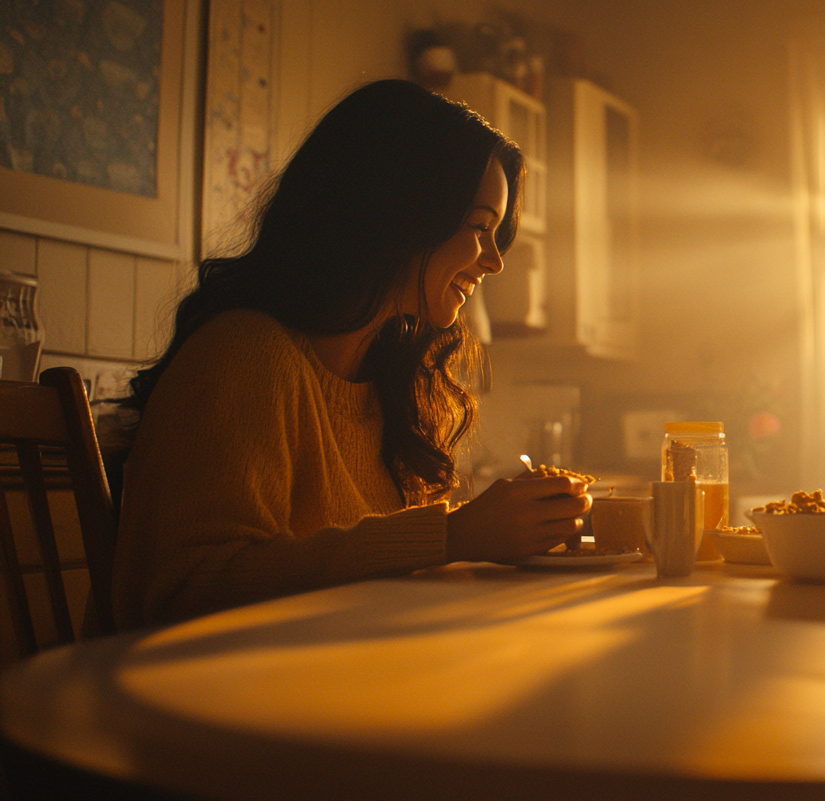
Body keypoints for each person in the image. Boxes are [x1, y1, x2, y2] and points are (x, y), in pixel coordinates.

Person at [111, 80, 591, 629]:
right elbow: (190, 589)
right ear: (400, 212)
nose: (493, 262)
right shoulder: (245, 356)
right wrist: (454, 535)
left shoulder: (390, 380)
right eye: (480, 227)